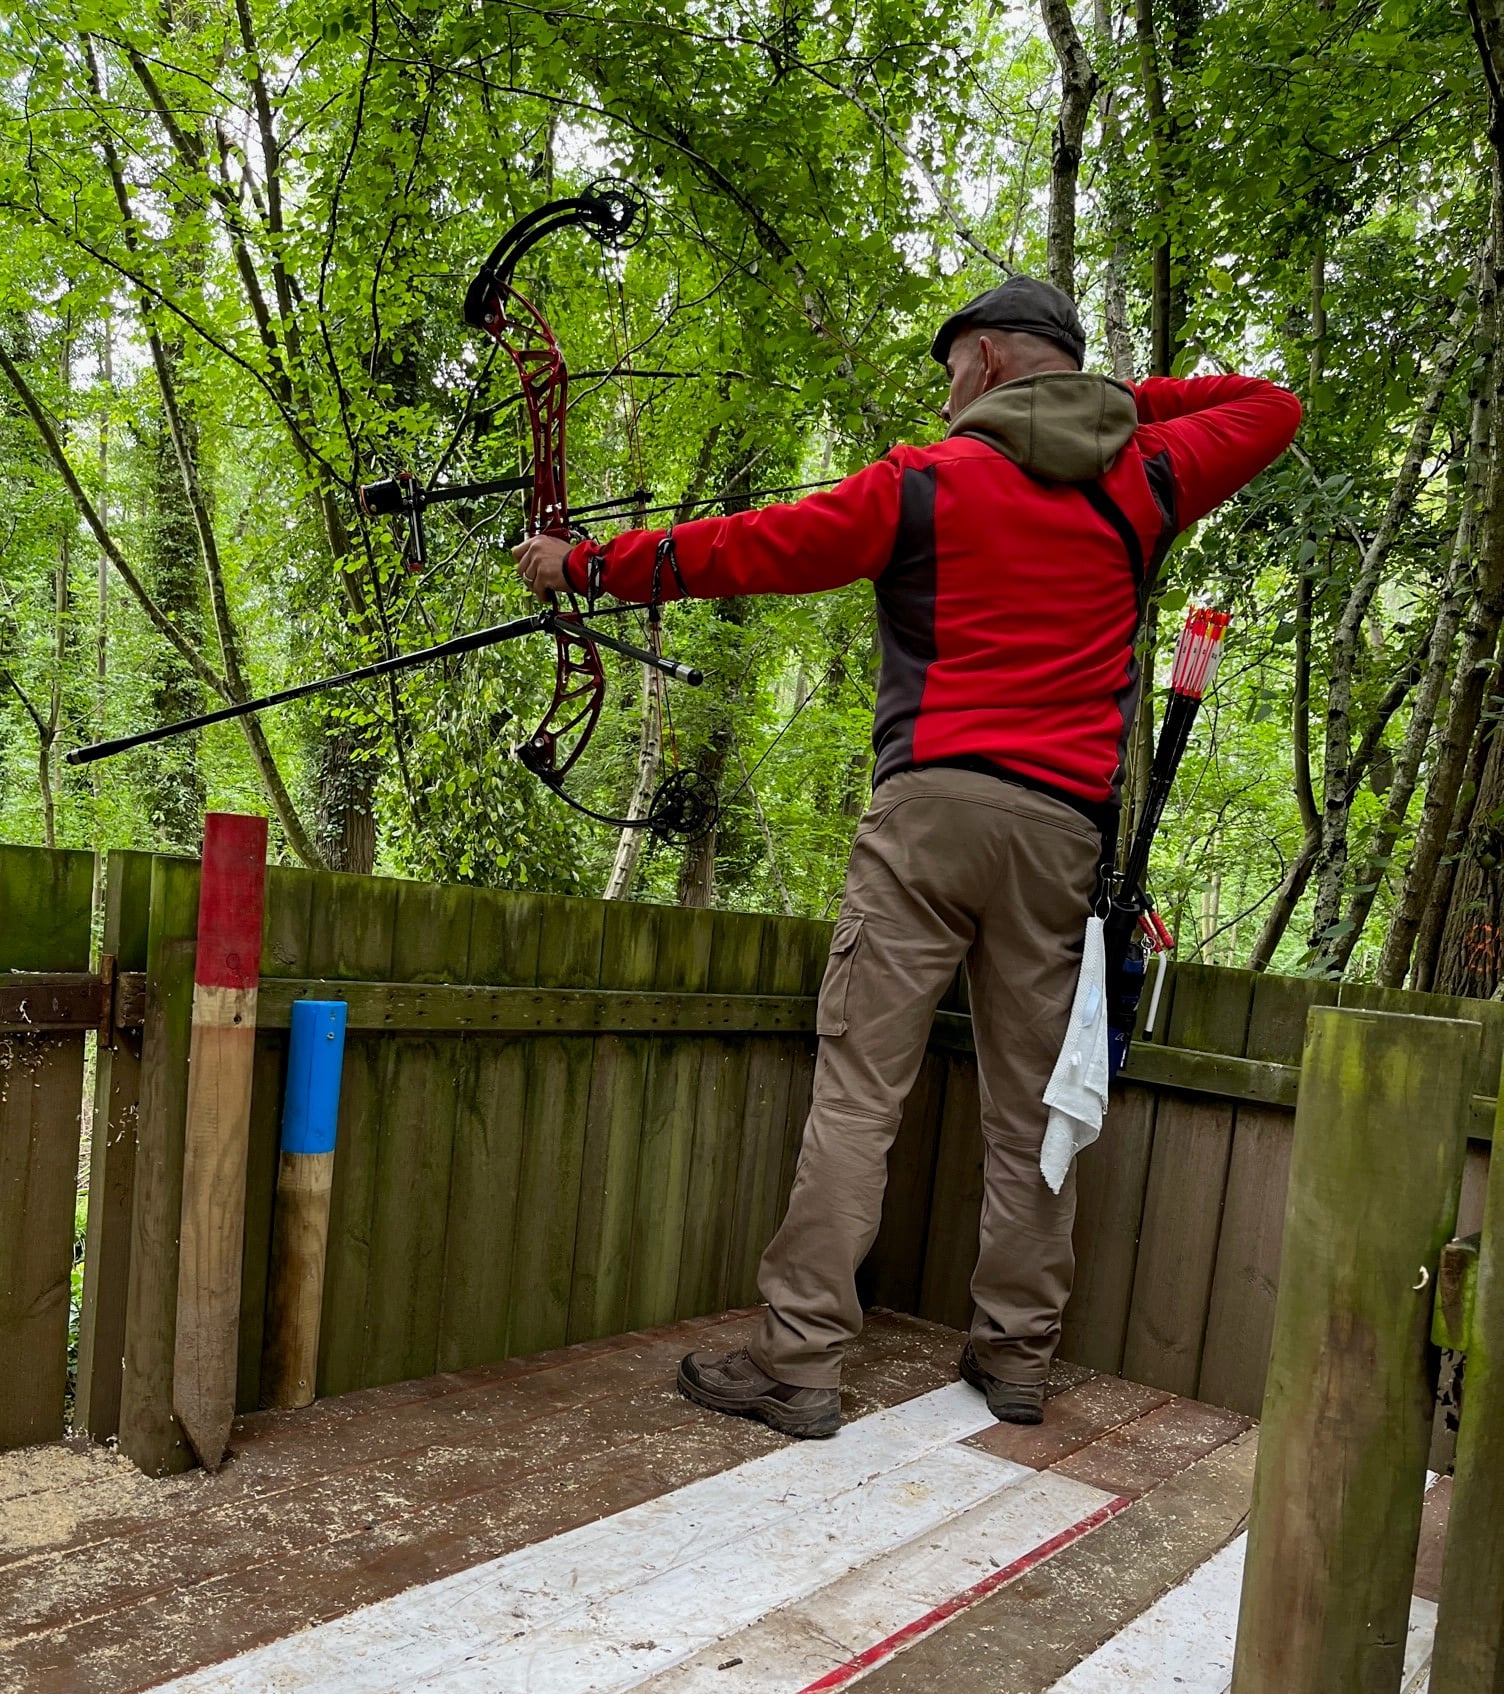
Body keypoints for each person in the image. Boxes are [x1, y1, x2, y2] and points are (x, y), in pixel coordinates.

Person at [515, 276, 1301, 1440]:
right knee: (1036, 1110)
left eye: (953, 373)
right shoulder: (1143, 478)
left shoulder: (926, 483)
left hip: (931, 811)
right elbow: (1268, 405)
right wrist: (1101, 403)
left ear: (983, 360)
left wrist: (586, 567)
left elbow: (750, 550)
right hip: (1062, 836)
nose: (946, 395)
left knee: (859, 1088)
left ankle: (798, 1362)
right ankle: (1018, 1356)